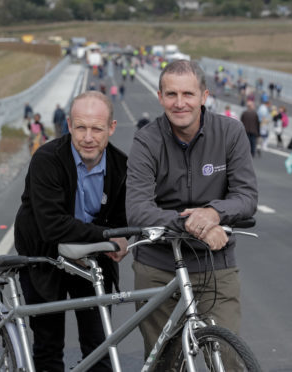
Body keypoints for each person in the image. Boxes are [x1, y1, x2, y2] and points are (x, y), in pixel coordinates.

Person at [126, 60, 258, 363]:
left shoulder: (231, 133)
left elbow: (246, 196)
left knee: (229, 360)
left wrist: (213, 214)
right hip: (158, 267)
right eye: (171, 95)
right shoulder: (146, 141)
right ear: (160, 98)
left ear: (204, 96)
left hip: (215, 265)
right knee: (166, 363)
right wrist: (193, 224)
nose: (180, 103)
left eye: (188, 94)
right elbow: (137, 210)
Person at [15, 91, 128, 372]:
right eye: (80, 127)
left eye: (96, 129)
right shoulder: (47, 159)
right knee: (49, 346)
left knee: (99, 347)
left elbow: (121, 221)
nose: (88, 137)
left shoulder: (121, 166)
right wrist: (106, 236)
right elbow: (52, 225)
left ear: (111, 128)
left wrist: (121, 236)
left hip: (91, 258)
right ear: (69, 125)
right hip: (44, 254)